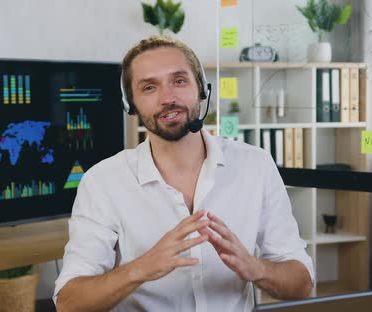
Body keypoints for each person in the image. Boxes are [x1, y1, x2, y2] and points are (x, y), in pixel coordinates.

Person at [54, 36, 314, 312]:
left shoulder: (255, 165)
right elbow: (69, 302)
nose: (168, 98)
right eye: (150, 87)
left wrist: (255, 268)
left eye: (179, 81)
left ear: (201, 89)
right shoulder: (103, 181)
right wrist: (141, 268)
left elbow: (302, 283)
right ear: (131, 105)